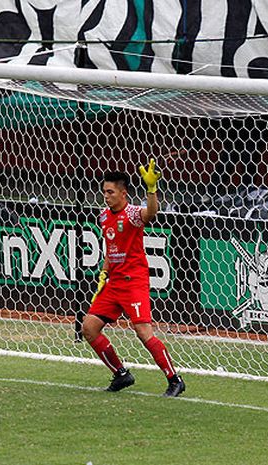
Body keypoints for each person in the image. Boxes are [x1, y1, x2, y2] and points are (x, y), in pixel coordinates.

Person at [82, 159, 186, 397]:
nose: (106, 196)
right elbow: (111, 249)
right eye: (104, 192)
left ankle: (175, 380)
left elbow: (150, 213)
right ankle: (121, 374)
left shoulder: (132, 215)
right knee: (89, 327)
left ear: (123, 193)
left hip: (134, 282)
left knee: (143, 332)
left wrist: (151, 189)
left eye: (110, 192)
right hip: (114, 282)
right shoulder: (103, 217)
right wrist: (104, 272)